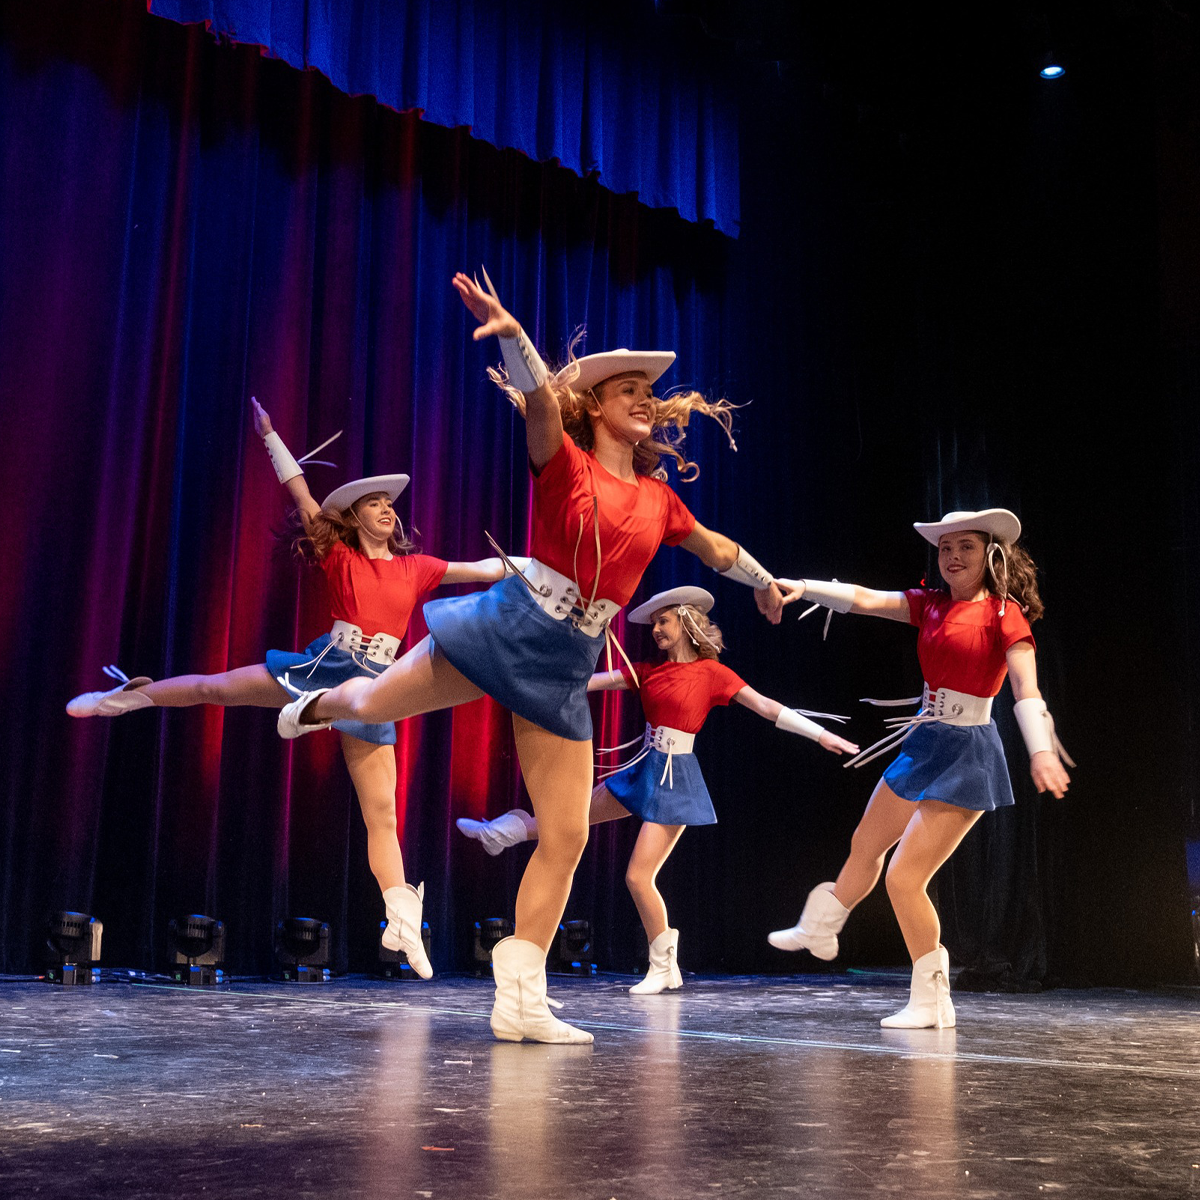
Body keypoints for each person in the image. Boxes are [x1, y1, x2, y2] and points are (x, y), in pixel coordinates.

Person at [274, 269, 794, 1043]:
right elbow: (541, 401)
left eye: (648, 391)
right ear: (595, 408)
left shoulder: (660, 501)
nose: (644, 399)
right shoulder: (564, 459)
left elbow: (715, 549)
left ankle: (519, 998)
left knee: (569, 834)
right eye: (626, 390)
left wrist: (762, 583)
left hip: (564, 659)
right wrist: (515, 336)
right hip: (508, 625)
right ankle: (310, 705)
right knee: (369, 703)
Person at [66, 398, 510, 978]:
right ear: (352, 516)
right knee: (218, 686)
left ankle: (401, 915)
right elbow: (302, 494)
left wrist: (546, 571)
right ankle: (125, 698)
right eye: (374, 504)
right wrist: (273, 437)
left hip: (381, 682)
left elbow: (485, 569)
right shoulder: (338, 553)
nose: (387, 512)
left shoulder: (418, 566)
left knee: (382, 816)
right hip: (327, 663)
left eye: (389, 506)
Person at [457, 585, 859, 994]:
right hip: (644, 768)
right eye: (654, 625)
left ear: (685, 621)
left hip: (675, 780)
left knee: (638, 876)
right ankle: (502, 832)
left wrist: (820, 733)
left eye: (663, 621)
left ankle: (665, 965)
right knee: (568, 821)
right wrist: (529, 674)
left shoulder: (713, 673)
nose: (655, 630)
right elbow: (588, 682)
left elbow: (766, 706)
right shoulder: (647, 671)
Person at [766, 509, 1071, 1029]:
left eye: (966, 547)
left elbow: (1026, 687)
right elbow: (863, 599)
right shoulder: (928, 604)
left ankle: (932, 1000)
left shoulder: (1004, 615)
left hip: (969, 753)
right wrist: (799, 586)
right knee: (866, 842)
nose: (952, 556)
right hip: (925, 739)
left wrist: (1041, 748)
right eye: (945, 547)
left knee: (905, 879)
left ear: (991, 555)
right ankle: (822, 925)